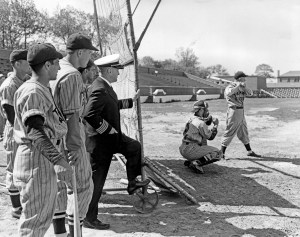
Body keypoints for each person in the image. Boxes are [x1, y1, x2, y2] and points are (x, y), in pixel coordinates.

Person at [83, 54, 150, 230]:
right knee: (97, 181)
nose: (119, 74)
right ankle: (89, 218)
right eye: (117, 70)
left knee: (134, 147)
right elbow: (89, 114)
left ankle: (132, 183)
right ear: (109, 70)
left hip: (112, 139)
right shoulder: (99, 88)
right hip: (101, 143)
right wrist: (107, 129)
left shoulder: (104, 86)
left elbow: (110, 105)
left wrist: (130, 102)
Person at [13, 43, 72, 236]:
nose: (60, 67)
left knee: (40, 219)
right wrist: (59, 161)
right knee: (35, 224)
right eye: (56, 63)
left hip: (40, 159)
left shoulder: (40, 88)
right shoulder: (33, 91)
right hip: (36, 161)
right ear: (47, 65)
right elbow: (35, 132)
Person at [50, 33, 97, 236]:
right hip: (67, 141)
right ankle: (73, 233)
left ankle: (60, 233)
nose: (90, 57)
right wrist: (76, 147)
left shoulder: (56, 69)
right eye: (89, 52)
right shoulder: (72, 75)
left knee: (60, 188)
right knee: (83, 186)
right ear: (80, 52)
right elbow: (72, 116)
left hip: (52, 138)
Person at [0, 50, 31, 218]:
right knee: (12, 169)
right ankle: (16, 208)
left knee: (24, 168)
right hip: (14, 132)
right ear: (17, 64)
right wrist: (22, 132)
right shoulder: (9, 84)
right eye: (26, 61)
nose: (29, 64)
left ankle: (23, 203)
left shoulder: (24, 80)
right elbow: (9, 113)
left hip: (23, 130)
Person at [220, 71, 261, 158]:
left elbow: (250, 93)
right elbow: (228, 93)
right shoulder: (230, 86)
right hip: (234, 111)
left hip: (241, 112)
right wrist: (238, 86)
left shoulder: (242, 87)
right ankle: (221, 153)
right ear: (239, 79)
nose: (245, 79)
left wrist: (243, 87)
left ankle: (249, 151)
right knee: (230, 131)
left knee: (243, 132)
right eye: (243, 78)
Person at [179, 100, 223, 174]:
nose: (207, 111)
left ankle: (191, 160)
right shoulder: (201, 123)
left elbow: (202, 123)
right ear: (201, 110)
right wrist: (215, 125)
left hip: (183, 148)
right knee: (218, 153)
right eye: (206, 109)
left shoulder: (192, 119)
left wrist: (208, 120)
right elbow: (211, 137)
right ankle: (196, 163)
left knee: (202, 140)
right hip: (191, 150)